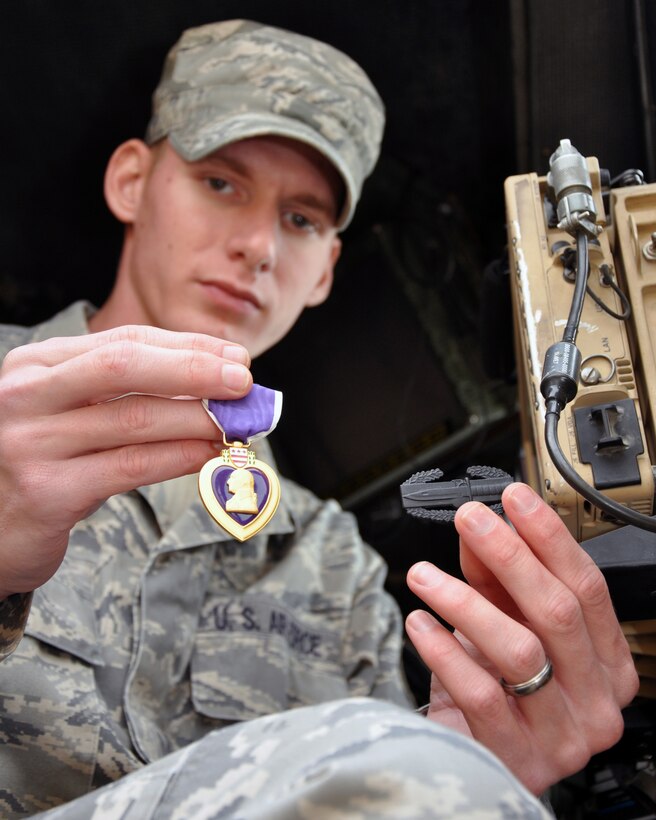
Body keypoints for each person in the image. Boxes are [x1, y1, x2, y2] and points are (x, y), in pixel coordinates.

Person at [0, 19, 637, 818]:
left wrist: (473, 759)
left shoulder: (333, 565)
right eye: (221, 183)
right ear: (131, 180)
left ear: (325, 272)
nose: (260, 246)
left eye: (302, 220)